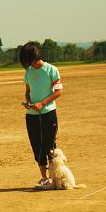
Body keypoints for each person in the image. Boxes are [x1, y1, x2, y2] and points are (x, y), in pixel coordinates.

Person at [19, 42, 63, 189]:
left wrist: (42, 103)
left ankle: (54, 177)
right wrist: (29, 102)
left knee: (49, 146)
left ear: (36, 56)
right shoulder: (29, 72)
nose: (26, 64)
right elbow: (28, 91)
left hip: (48, 113)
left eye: (27, 60)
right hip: (31, 115)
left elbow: (58, 91)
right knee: (36, 145)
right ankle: (44, 178)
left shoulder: (51, 70)